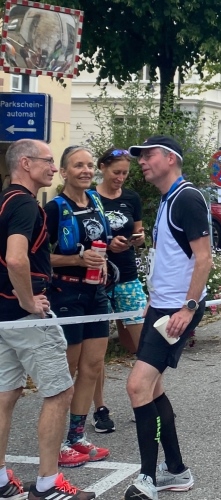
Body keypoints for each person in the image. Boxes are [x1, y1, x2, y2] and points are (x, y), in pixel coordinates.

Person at [0, 139, 94, 500]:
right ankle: (48, 483)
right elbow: (16, 258)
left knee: (6, 392)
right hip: (26, 316)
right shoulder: (26, 204)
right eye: (49, 161)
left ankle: (0, 478)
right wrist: (28, 300)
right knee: (59, 392)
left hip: (3, 316)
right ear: (25, 163)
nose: (54, 168)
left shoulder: (4, 200)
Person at [123, 136, 211, 499]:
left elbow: (204, 258)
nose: (142, 161)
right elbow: (170, 260)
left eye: (148, 155)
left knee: (137, 386)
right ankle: (175, 470)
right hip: (162, 306)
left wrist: (187, 308)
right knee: (152, 387)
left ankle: (147, 479)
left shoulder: (187, 198)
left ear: (170, 158)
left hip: (178, 309)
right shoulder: (167, 199)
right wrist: (153, 299)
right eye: (140, 156)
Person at [44, 146, 112, 468]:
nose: (86, 171)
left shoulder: (96, 201)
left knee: (93, 366)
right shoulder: (54, 208)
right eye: (78, 165)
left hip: (95, 292)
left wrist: (107, 255)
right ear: (64, 172)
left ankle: (77, 437)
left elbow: (101, 243)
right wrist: (77, 260)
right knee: (68, 369)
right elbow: (39, 257)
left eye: (89, 165)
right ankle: (57, 444)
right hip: (66, 292)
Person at [91, 147, 148, 434]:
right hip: (97, 279)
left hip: (127, 276)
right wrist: (107, 244)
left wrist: (137, 239)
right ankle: (100, 408)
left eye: (125, 173)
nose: (120, 178)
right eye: (116, 172)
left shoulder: (131, 198)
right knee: (96, 351)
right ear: (102, 168)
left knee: (143, 344)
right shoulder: (90, 198)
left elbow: (140, 233)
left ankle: (145, 401)